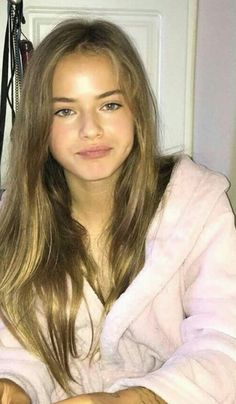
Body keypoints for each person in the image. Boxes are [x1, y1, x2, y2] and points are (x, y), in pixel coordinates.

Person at [0, 18, 236, 404]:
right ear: (40, 124)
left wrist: (138, 398)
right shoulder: (15, 217)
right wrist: (13, 385)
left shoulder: (199, 207)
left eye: (109, 104)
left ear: (136, 111)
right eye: (65, 111)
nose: (91, 129)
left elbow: (225, 341)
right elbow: (15, 344)